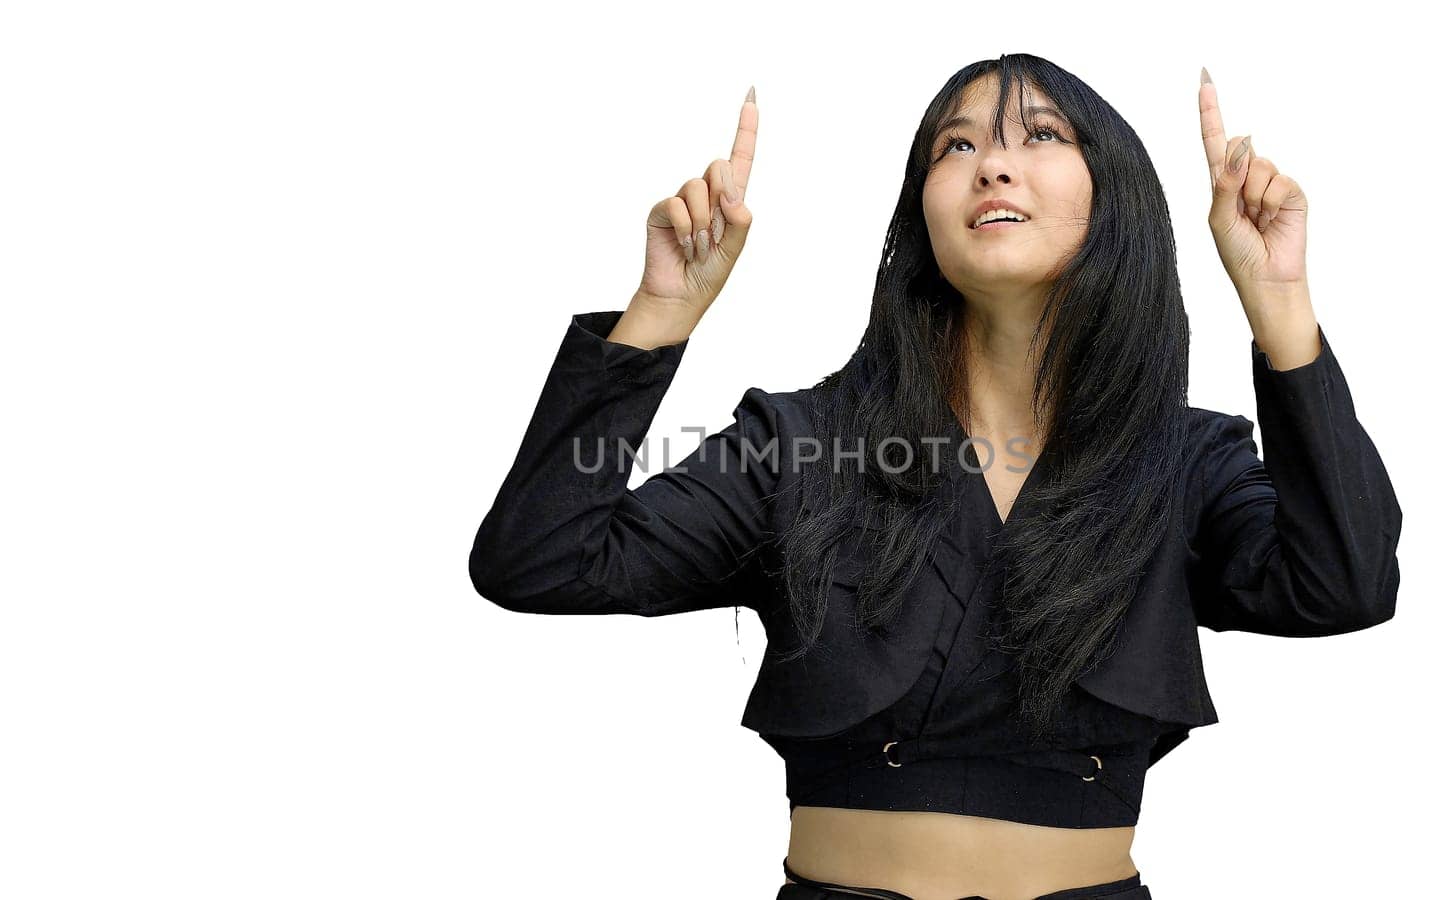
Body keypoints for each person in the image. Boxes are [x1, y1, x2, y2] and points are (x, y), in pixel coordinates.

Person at [468, 54, 1402, 900]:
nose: (994, 164)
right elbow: (541, 561)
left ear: (1113, 195)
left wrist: (1279, 305)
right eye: (956, 145)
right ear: (921, 212)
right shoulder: (798, 443)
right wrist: (658, 316)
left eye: (1039, 134)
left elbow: (1343, 584)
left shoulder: (1184, 461)